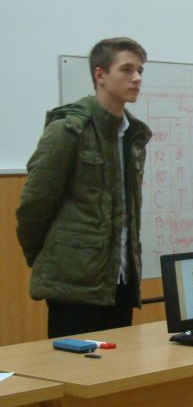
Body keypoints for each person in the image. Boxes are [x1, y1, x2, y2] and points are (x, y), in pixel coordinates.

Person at [16, 37, 152, 338]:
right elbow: (33, 206)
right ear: (100, 75)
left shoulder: (134, 135)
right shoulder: (68, 131)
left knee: (119, 366)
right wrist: (52, 259)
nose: (137, 78)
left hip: (120, 281)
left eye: (140, 70)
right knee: (75, 365)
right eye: (127, 69)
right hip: (74, 285)